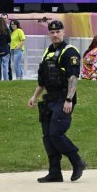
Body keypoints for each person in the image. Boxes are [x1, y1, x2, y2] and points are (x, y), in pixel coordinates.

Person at [28, 20, 87, 183]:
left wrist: (69, 99)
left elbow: (73, 77)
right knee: (47, 137)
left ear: (63, 32)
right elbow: (44, 79)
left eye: (57, 32)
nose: (55, 35)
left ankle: (77, 162)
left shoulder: (70, 52)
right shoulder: (48, 52)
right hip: (49, 100)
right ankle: (55, 172)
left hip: (63, 99)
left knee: (56, 133)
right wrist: (35, 96)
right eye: (52, 32)